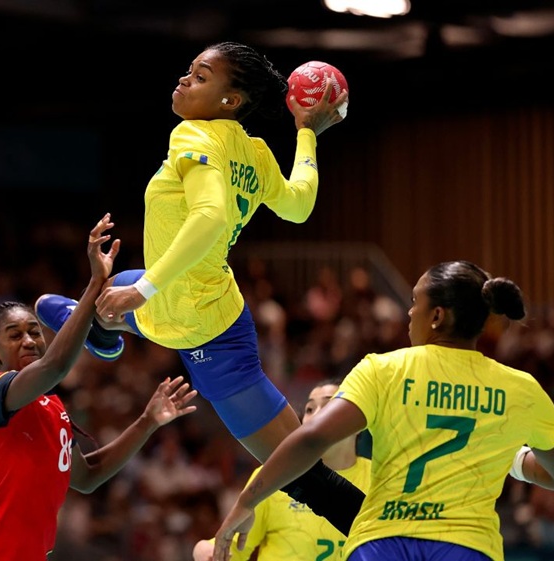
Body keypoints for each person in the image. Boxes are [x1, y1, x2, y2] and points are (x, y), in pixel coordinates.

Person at [34, 40, 364, 534]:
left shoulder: (192, 136)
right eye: (189, 71)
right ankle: (105, 328)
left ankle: (108, 326)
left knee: (301, 475)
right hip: (226, 315)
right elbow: (298, 205)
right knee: (302, 463)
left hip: (180, 316)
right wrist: (307, 134)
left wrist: (143, 289)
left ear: (230, 101)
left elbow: (209, 217)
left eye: (201, 76)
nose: (185, 80)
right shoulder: (252, 152)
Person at [212, 260, 554, 561]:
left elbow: (312, 438)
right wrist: (516, 462)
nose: (409, 313)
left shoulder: (384, 369)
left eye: (414, 302)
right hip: (468, 547)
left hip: (381, 544)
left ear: (437, 316)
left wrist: (247, 501)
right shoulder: (520, 388)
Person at [0, 213, 199, 560]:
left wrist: (147, 422)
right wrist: (95, 286)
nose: (30, 340)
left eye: (35, 331)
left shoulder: (54, 410)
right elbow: (57, 366)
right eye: (14, 335)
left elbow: (88, 476)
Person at [193, 378, 371, 561]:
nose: (317, 415)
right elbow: (229, 549)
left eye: (328, 406)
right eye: (309, 409)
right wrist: (204, 551)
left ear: (358, 423)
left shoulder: (380, 477)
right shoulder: (273, 476)